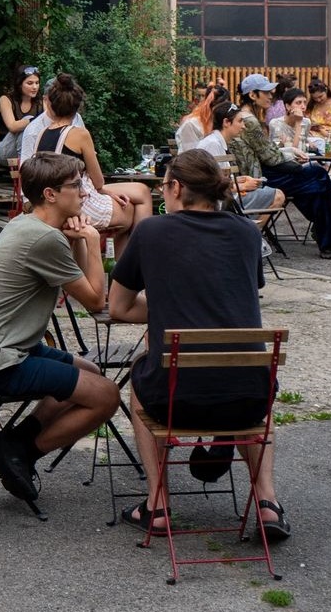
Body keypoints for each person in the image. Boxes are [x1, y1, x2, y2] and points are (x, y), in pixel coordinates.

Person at [107, 149, 285, 542]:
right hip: (249, 399)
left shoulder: (150, 232)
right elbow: (239, 294)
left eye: (163, 186)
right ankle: (267, 503)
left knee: (141, 373)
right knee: (249, 375)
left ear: (176, 187)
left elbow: (118, 307)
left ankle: (157, 505)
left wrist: (165, 307)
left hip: (175, 399)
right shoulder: (247, 232)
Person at [0, 152, 120, 501]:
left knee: (89, 372)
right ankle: (24, 452)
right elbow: (94, 301)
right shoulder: (44, 239)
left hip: (0, 347)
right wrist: (92, 241)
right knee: (106, 396)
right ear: (51, 194)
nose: (85, 192)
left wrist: (76, 240)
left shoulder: (28, 225)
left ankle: (15, 441)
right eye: (77, 185)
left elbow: (76, 281)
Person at [231, 74, 331, 260]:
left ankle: (327, 235)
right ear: (252, 95)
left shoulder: (243, 116)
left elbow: (267, 152)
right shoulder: (249, 120)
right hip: (258, 178)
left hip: (257, 173)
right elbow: (270, 157)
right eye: (266, 92)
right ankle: (328, 237)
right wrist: (293, 157)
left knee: (313, 184)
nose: (271, 95)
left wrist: (290, 154)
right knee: (317, 175)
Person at [27, 75, 154, 257]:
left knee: (137, 192)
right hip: (76, 199)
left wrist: (107, 192)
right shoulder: (80, 134)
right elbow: (98, 181)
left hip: (52, 196)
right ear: (77, 108)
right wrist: (105, 191)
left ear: (50, 105)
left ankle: (118, 264)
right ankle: (135, 263)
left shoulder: (42, 133)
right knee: (134, 205)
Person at [196, 102, 287, 218]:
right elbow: (210, 185)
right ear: (226, 122)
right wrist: (243, 186)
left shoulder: (215, 141)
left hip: (226, 199)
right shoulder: (213, 144)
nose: (243, 126)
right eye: (240, 121)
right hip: (222, 204)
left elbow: (218, 179)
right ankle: (249, 229)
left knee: (275, 193)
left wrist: (241, 180)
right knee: (278, 196)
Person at [0, 66, 43, 164]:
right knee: (27, 122)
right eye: (30, 83)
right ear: (19, 84)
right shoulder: (5, 99)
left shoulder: (41, 102)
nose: (35, 87)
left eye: (37, 83)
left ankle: (26, 164)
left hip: (33, 152)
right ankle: (24, 166)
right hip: (5, 153)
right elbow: (12, 126)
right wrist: (33, 121)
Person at [174, 84, 224, 153]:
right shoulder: (191, 122)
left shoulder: (215, 121)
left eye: (203, 96)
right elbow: (190, 153)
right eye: (198, 96)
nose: (200, 99)